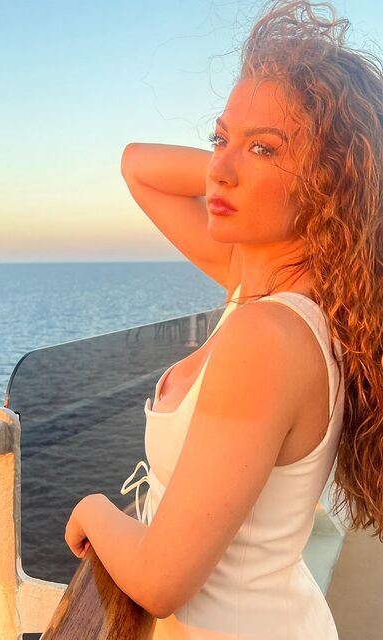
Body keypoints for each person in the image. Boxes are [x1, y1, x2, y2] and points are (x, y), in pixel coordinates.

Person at [64, 1, 383, 638]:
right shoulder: (261, 289)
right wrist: (243, 157)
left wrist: (94, 508)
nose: (220, 169)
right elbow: (137, 165)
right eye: (219, 138)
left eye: (264, 149)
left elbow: (161, 581)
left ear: (328, 179)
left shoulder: (269, 335)